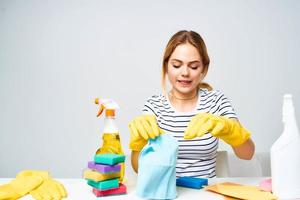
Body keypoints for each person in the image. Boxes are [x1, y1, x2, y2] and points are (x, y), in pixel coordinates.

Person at [128, 30, 255, 178]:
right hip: (166, 192)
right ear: (166, 66)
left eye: (194, 67)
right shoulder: (154, 105)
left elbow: (248, 154)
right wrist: (139, 144)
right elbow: (138, 169)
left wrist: (231, 131)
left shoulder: (216, 101)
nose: (185, 73)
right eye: (176, 65)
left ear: (204, 69)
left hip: (205, 193)